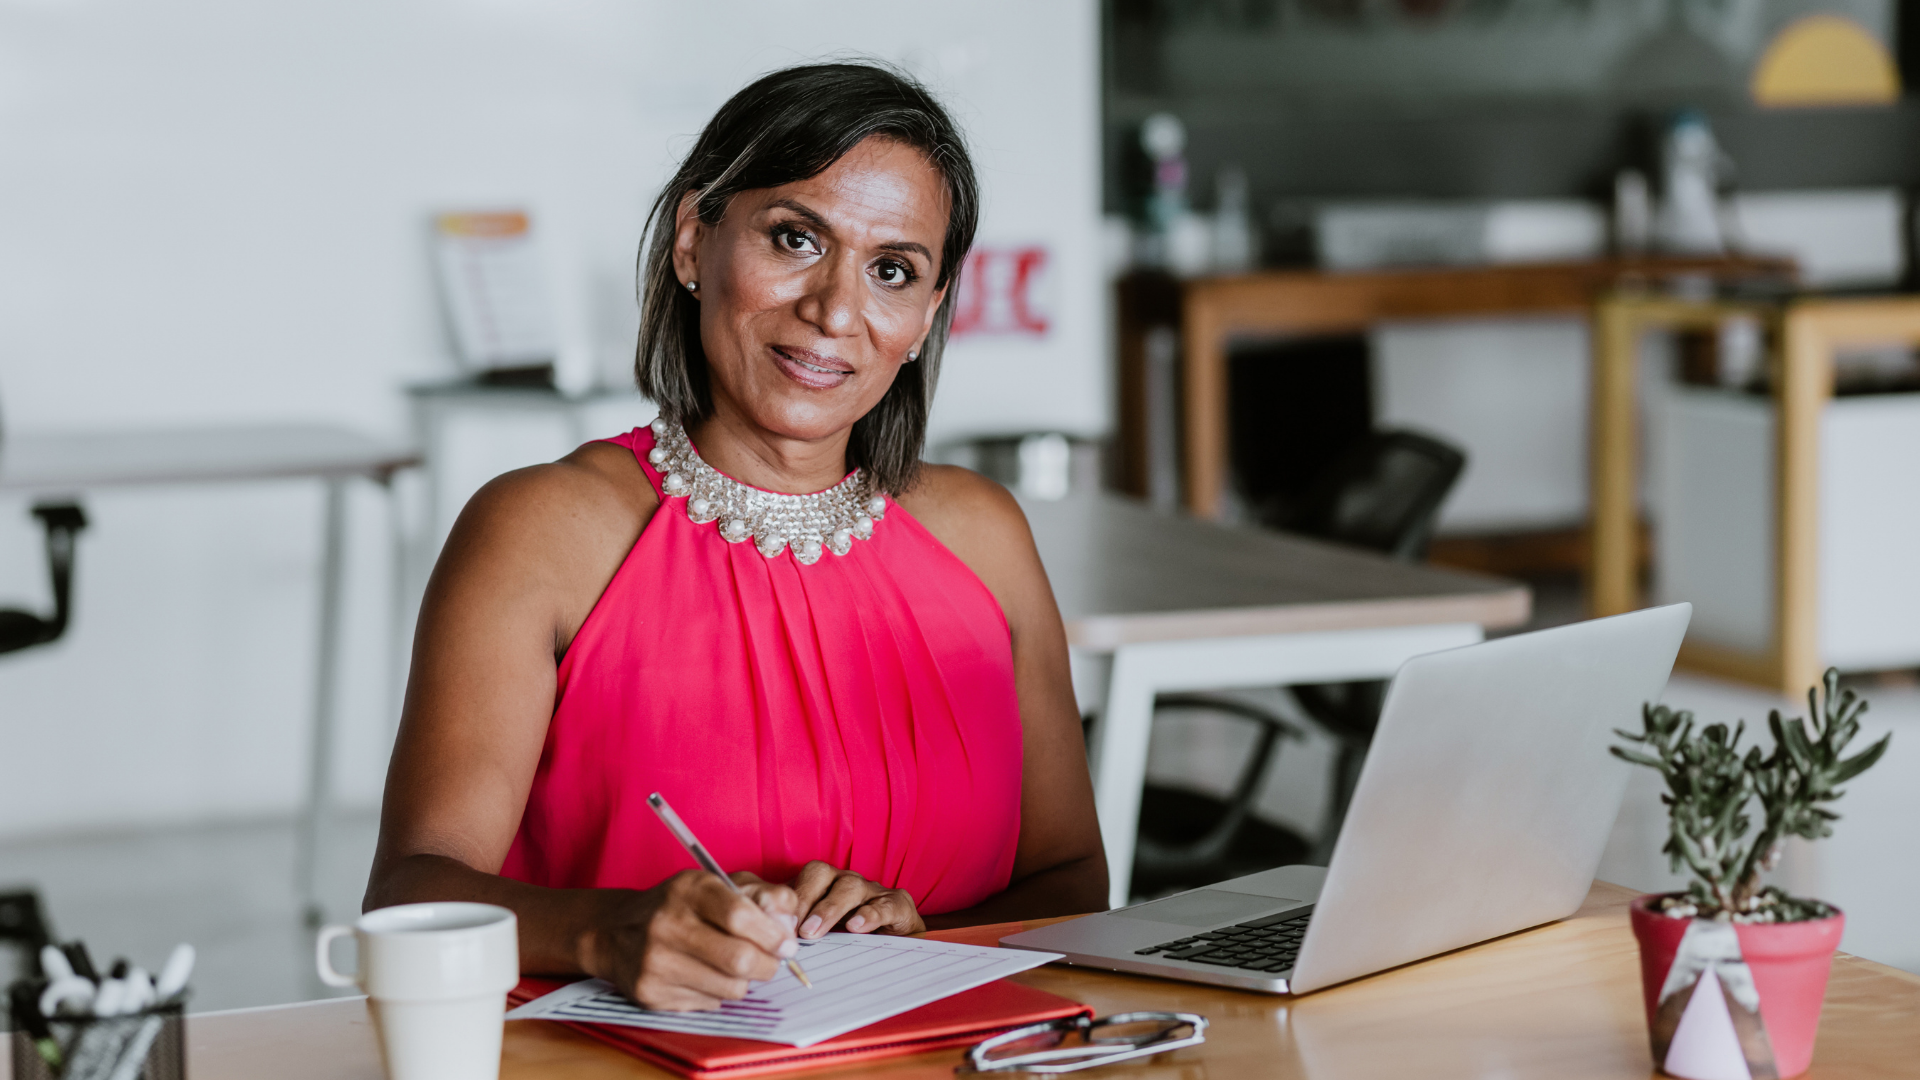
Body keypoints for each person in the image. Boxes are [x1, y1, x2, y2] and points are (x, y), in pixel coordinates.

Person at [364, 62, 1107, 1012]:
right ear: (692, 241)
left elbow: (1076, 880)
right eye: (796, 238)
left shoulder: (985, 536)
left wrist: (918, 944)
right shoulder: (541, 531)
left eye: (892, 270)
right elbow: (409, 892)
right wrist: (608, 931)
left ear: (927, 314)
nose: (836, 311)